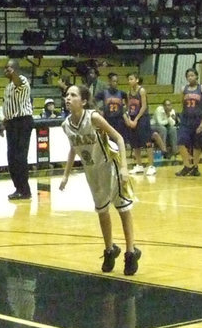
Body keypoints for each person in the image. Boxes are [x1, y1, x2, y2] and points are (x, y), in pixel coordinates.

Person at [58, 84, 141, 276]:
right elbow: (73, 149)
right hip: (92, 171)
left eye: (73, 95)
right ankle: (110, 250)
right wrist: (65, 175)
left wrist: (124, 168)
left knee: (122, 208)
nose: (68, 97)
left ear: (83, 101)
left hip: (110, 166)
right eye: (67, 95)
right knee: (102, 211)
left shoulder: (93, 117)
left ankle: (130, 252)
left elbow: (119, 138)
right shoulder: (65, 125)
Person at [1, 59, 35, 200]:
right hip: (11, 123)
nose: (5, 70)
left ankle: (25, 190)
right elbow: (9, 106)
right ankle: (18, 188)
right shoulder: (8, 86)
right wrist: (4, 122)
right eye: (5, 68)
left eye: (8, 68)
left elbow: (18, 83)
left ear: (15, 69)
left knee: (20, 156)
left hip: (23, 121)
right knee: (11, 157)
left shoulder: (22, 80)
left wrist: (13, 73)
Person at [176, 68, 202, 176]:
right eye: (188, 76)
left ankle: (195, 167)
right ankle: (187, 166)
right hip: (186, 119)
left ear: (196, 76)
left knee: (197, 145)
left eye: (192, 75)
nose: (190, 78)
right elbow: (182, 103)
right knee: (180, 141)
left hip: (199, 119)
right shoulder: (184, 89)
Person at [122, 72, 156, 176]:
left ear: (137, 80)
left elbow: (144, 106)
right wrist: (129, 119)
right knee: (135, 142)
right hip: (133, 118)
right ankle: (139, 165)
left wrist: (136, 119)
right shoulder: (129, 92)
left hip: (142, 118)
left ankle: (151, 166)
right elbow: (128, 107)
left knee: (147, 142)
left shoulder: (141, 90)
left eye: (131, 79)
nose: (130, 81)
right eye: (128, 79)